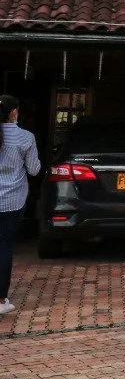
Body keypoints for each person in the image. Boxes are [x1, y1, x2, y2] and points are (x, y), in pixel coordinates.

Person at [0, 94, 40, 317]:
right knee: (3, 247)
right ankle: (1, 299)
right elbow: (34, 169)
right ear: (14, 112)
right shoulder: (25, 137)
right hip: (12, 200)